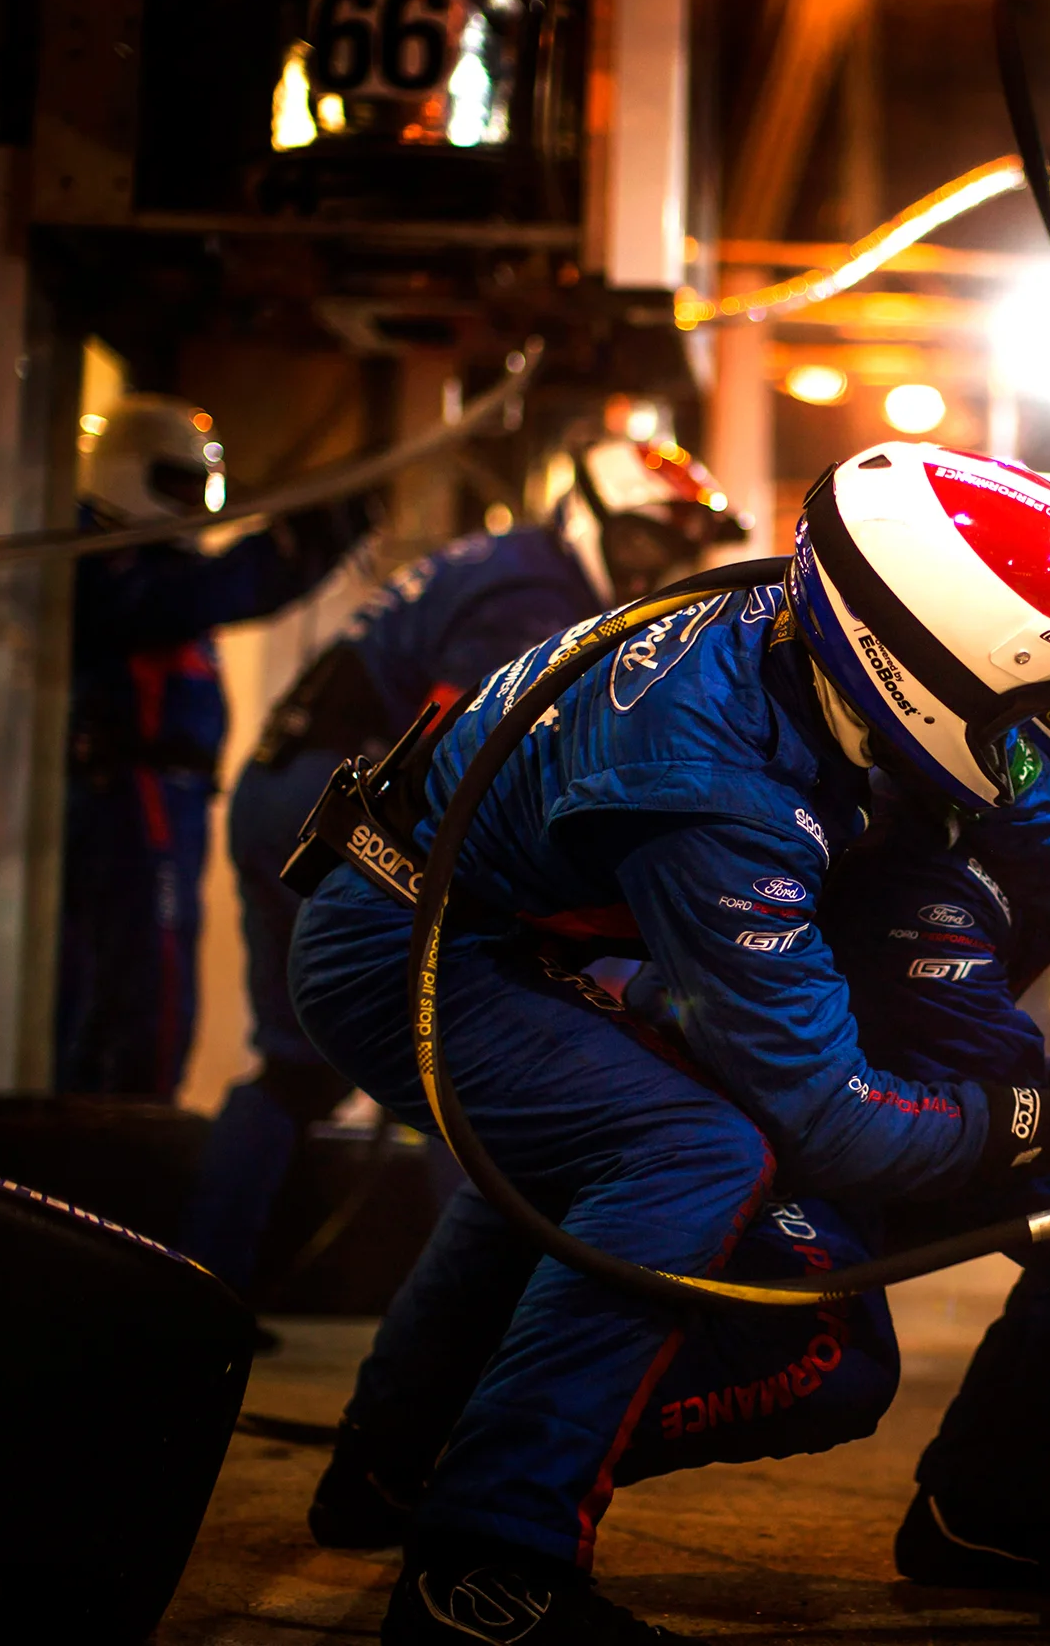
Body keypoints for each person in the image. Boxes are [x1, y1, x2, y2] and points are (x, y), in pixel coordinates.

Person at [281, 443, 1050, 1644]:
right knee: (692, 1157)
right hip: (402, 945)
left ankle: (391, 1463)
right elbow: (835, 1117)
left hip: (505, 916)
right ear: (957, 667)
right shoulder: (720, 788)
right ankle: (481, 1563)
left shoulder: (861, 659)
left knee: (606, 1136)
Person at [175, 430, 742, 1298]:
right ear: (587, 518)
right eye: (643, 542)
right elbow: (492, 764)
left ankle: (195, 1289)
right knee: (470, 1060)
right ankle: (469, 1319)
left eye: (677, 550)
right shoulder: (535, 591)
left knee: (299, 1067)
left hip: (295, 790)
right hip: (333, 806)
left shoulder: (520, 566)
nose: (653, 569)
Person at [56, 395, 374, 1098]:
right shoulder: (100, 559)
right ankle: (117, 1156)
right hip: (133, 803)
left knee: (146, 990)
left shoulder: (140, 562)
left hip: (164, 802)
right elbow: (224, 588)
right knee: (145, 991)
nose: (194, 505)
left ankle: (117, 1147)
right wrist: (307, 541)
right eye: (176, 485)